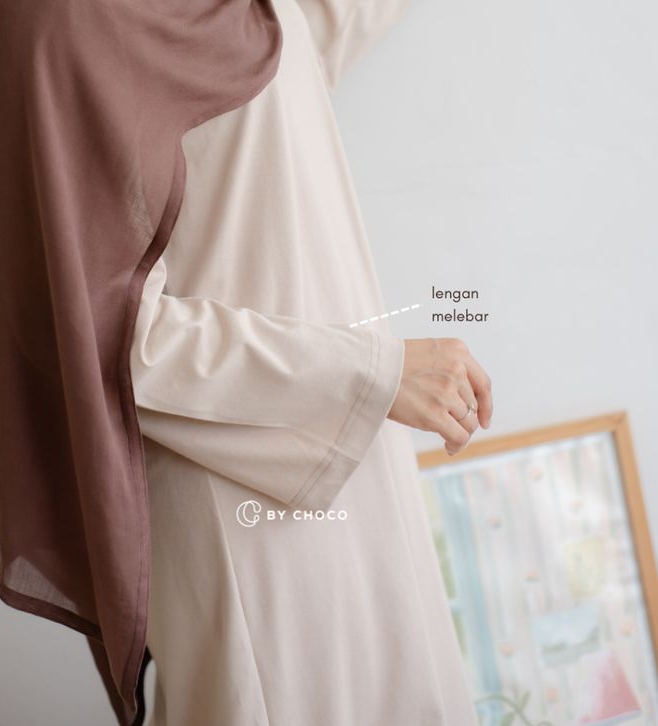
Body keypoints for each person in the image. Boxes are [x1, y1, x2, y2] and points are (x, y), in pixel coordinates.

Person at [129, 0, 493, 723]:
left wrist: (373, 377)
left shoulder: (252, 20)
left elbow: (305, 43)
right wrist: (374, 373)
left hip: (350, 466)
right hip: (245, 515)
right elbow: (111, 336)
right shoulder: (74, 21)